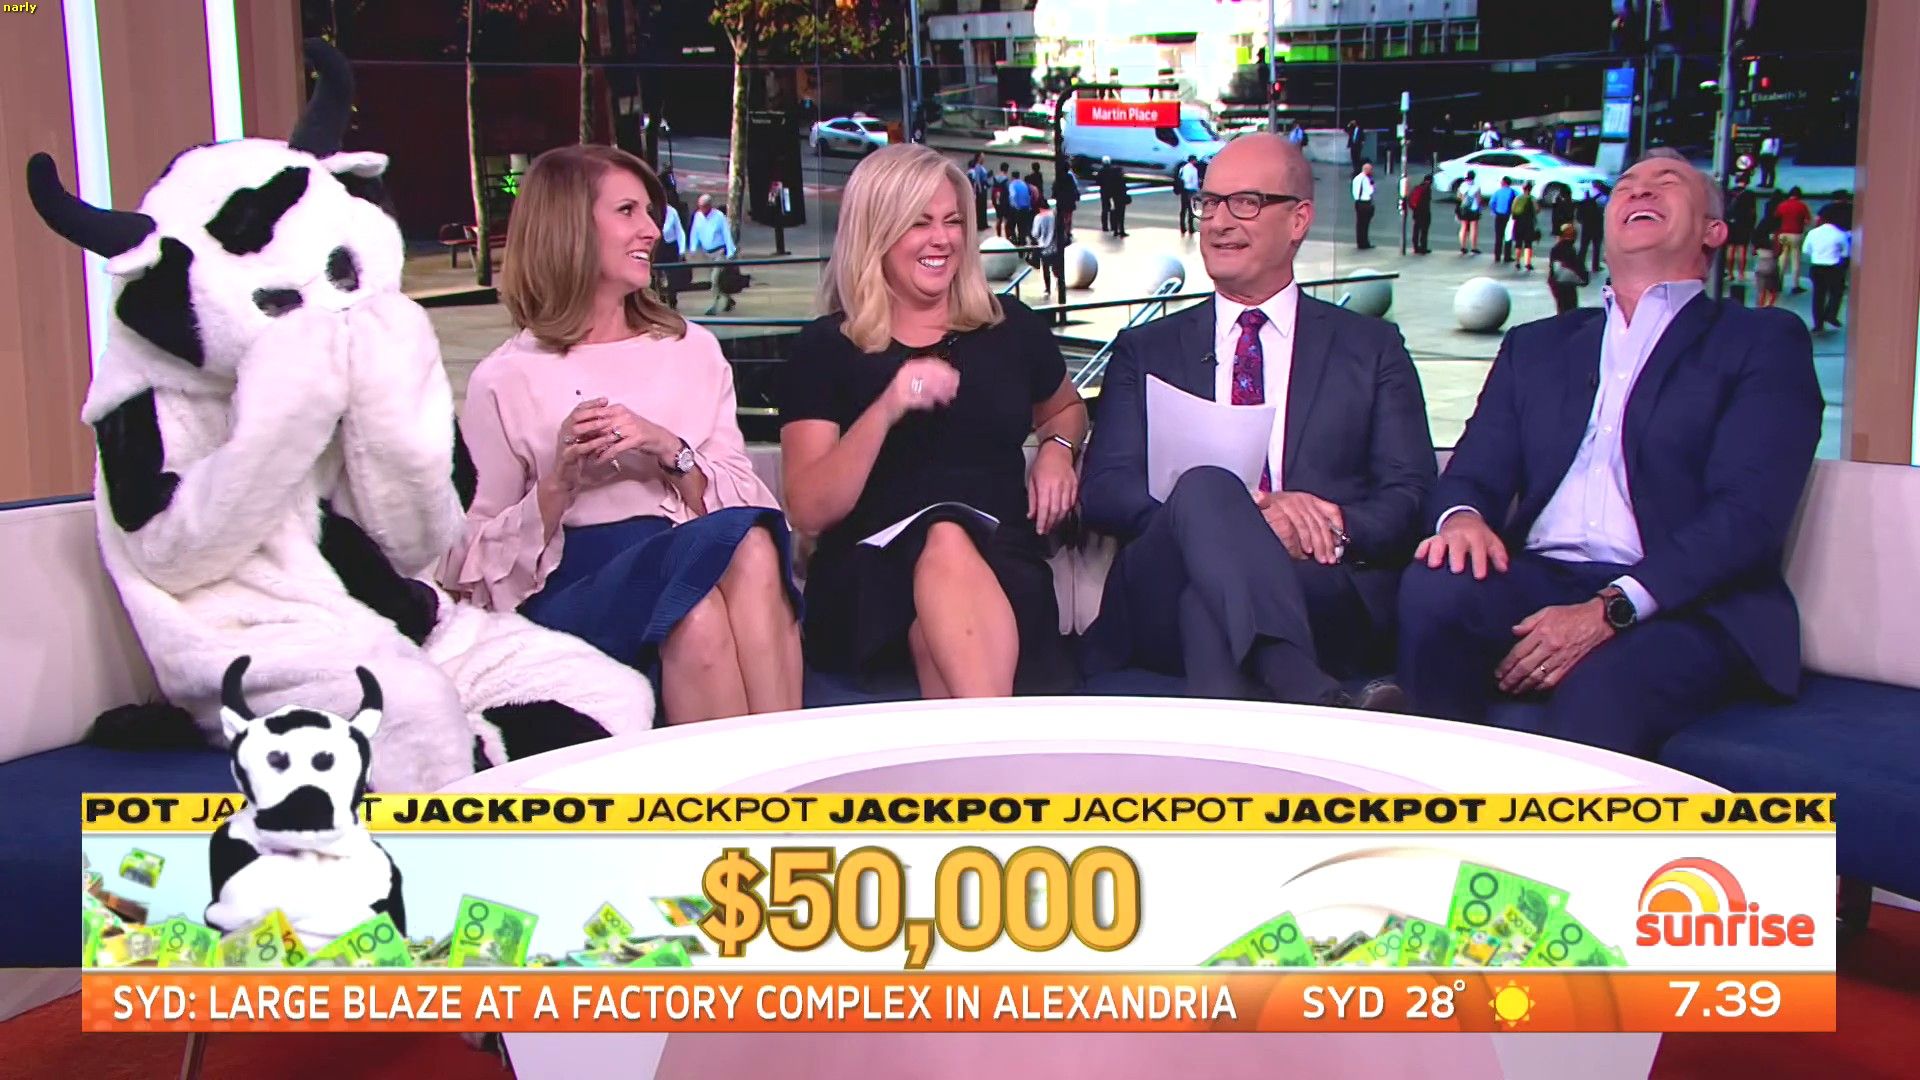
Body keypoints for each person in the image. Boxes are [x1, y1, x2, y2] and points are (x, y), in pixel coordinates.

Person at [1394, 149, 1823, 758]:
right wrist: (1461, 518)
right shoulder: (1537, 346)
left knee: (1601, 688)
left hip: (1687, 603)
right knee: (1435, 591)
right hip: (1542, 573)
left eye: (1667, 182)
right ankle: (1435, 797)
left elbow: (1746, 514)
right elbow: (1474, 469)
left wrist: (1611, 608)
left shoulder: (1761, 341)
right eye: (1627, 185)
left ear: (1713, 231)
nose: (1641, 191)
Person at [447, 145, 802, 725]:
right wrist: (558, 482)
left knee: (730, 574)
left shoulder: (693, 350)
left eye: (650, 212)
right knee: (704, 597)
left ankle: (781, 766)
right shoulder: (504, 378)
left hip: (689, 549)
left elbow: (746, 502)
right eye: (627, 211)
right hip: (576, 577)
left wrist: (668, 448)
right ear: (569, 227)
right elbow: (470, 564)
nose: (652, 230)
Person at [1079, 133, 1435, 708]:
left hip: (1315, 588)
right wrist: (1227, 520)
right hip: (1160, 587)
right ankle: (1307, 690)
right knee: (1207, 487)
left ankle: (1285, 687)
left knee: (1209, 607)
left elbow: (1410, 494)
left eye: (1244, 202)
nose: (1219, 222)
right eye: (1210, 202)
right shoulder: (1146, 349)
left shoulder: (1372, 349)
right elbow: (1104, 490)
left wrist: (1330, 526)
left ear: (1298, 220)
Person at [778, 144, 1087, 698]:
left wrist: (1057, 450)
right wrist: (888, 407)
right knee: (943, 535)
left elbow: (1066, 408)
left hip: (1001, 564)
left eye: (953, 221)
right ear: (876, 233)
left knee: (937, 628)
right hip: (870, 577)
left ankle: (980, 745)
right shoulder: (825, 348)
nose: (942, 239)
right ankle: (998, 742)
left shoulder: (1010, 327)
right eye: (919, 223)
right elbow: (808, 510)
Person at [687, 193, 737, 315]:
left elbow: (726, 233)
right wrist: (693, 248)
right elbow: (695, 232)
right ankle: (728, 299)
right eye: (700, 206)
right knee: (716, 279)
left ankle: (715, 305)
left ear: (709, 206)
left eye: (704, 206)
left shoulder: (719, 216)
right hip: (707, 253)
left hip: (719, 252)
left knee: (714, 280)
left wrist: (731, 251)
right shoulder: (698, 216)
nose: (702, 209)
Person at [1804, 209, 1850, 332]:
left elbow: (1806, 250)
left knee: (1818, 295)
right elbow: (1845, 252)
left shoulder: (1813, 233)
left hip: (1817, 266)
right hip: (1833, 267)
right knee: (1836, 292)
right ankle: (1831, 314)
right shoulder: (1840, 234)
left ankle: (1818, 324)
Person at [1773, 187, 1812, 294]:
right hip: (1796, 234)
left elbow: (1776, 217)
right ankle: (1795, 285)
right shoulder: (1802, 205)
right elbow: (1807, 221)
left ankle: (1778, 283)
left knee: (1782, 258)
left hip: (1783, 234)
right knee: (1795, 260)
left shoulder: (1782, 205)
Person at [1546, 222, 1588, 313]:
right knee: (1571, 309)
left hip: (1559, 285)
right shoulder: (1571, 250)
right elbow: (1578, 267)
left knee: (1562, 309)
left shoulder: (1556, 249)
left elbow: (1553, 269)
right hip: (1569, 285)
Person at [1725, 180, 1757, 281]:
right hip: (1744, 224)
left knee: (1730, 249)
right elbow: (1752, 211)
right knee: (1742, 250)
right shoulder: (1749, 194)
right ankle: (1741, 274)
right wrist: (1752, 225)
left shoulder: (1729, 192)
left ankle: (1730, 273)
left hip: (1731, 224)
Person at [1578, 180, 1608, 273]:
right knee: (1596, 247)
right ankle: (1595, 266)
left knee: (1583, 247)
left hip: (1586, 226)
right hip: (1597, 225)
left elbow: (1580, 214)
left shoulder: (1586, 196)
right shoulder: (1602, 198)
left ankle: (1580, 264)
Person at [1509, 179, 1538, 272]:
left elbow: (1512, 210)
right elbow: (1537, 209)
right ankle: (1527, 263)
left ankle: (1517, 262)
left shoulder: (1517, 198)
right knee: (1528, 244)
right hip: (1529, 223)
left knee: (1518, 243)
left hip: (1518, 223)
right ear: (1531, 189)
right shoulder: (1532, 199)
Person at [1488, 177, 1517, 264]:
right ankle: (1507, 256)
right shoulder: (1513, 192)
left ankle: (1497, 256)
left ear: (1504, 183)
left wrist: (1494, 211)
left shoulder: (1498, 192)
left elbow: (1492, 203)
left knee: (1498, 237)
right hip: (1509, 216)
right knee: (1508, 236)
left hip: (1499, 215)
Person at [1004, 161, 1034, 245]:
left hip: (1017, 208)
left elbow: (1013, 196)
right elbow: (1028, 196)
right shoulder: (1023, 184)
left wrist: (1014, 206)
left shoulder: (1012, 184)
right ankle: (1022, 241)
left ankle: (1014, 240)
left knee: (1011, 225)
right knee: (1022, 227)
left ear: (1012, 177)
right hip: (1026, 207)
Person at [1099, 157, 1129, 237]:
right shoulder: (1119, 178)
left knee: (1105, 210)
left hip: (1105, 192)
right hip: (1117, 196)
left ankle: (1106, 227)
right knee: (1119, 214)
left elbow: (1098, 181)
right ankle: (1117, 228)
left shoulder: (1101, 171)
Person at [1752, 230, 1782, 308]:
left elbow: (1753, 252)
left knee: (1760, 291)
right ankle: (1769, 306)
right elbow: (1777, 252)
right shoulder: (1775, 237)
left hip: (1760, 265)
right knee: (1773, 290)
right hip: (1772, 265)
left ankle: (1759, 308)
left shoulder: (1757, 238)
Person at [1351, 161, 1376, 250]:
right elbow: (1370, 191)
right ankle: (1364, 243)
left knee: (1359, 224)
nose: (1372, 171)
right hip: (1365, 203)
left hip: (1358, 202)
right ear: (1367, 170)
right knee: (1365, 224)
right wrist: (1372, 184)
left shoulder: (1356, 178)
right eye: (1371, 169)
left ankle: (1360, 242)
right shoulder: (1365, 179)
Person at [1457, 172, 1482, 255]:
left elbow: (1459, 196)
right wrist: (1479, 209)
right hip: (1473, 209)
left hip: (1464, 209)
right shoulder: (1476, 186)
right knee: (1473, 228)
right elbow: (1478, 199)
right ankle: (1474, 247)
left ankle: (1463, 247)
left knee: (1463, 227)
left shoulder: (1462, 185)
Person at [1407, 173, 1434, 255]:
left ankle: (1415, 247)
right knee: (1424, 231)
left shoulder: (1418, 187)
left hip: (1416, 211)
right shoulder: (1427, 188)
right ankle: (1423, 247)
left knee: (1416, 229)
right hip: (1424, 212)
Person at [966, 153, 991, 232]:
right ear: (979, 158)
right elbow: (977, 179)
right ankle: (981, 224)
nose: (984, 159)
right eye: (982, 157)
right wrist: (979, 189)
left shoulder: (981, 167)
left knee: (983, 207)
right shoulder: (977, 167)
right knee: (980, 207)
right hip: (981, 189)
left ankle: (984, 223)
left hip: (984, 188)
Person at [1177, 155, 1201, 236]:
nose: (1196, 161)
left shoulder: (1183, 168)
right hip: (1190, 190)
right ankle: (1191, 228)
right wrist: (1196, 190)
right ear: (1192, 160)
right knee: (1191, 210)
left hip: (1184, 190)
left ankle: (1183, 227)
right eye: (1195, 160)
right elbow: (1191, 181)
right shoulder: (1192, 169)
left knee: (1184, 209)